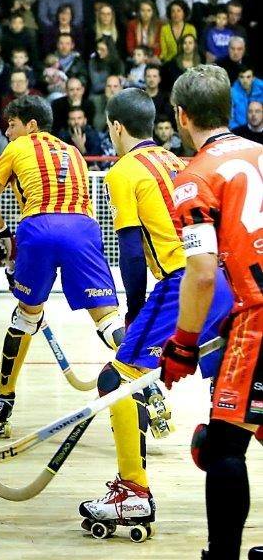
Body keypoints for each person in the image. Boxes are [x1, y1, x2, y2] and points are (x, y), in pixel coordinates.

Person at [79, 87, 233, 533]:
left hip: (182, 282)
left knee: (116, 379)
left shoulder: (122, 171)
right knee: (235, 396)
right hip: (222, 279)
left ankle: (132, 493)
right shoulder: (176, 160)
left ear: (116, 128)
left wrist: (134, 310)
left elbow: (130, 250)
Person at [0, 96, 124, 437]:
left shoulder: (17, 147)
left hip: (38, 227)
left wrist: (2, 234)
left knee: (26, 317)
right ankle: (149, 388)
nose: (7, 132)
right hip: (83, 228)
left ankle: (3, 401)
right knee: (108, 320)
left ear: (31, 125)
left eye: (11, 124)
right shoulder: (74, 151)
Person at [161, 64, 262, 560]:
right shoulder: (260, 152)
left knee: (221, 445)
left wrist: (182, 343)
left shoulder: (194, 178)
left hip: (259, 314)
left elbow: (201, 273)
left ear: (182, 116)